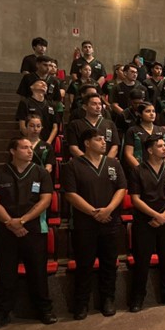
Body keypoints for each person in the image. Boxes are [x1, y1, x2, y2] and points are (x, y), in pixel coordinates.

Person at [0, 137, 56, 330]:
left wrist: (22, 221)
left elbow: (45, 201)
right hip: (5, 230)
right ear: (13, 151)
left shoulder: (41, 173)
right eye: (24, 148)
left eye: (30, 148)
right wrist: (10, 222)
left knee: (38, 273)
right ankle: (0, 314)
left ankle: (44, 310)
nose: (30, 151)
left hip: (34, 230)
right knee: (6, 275)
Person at [62, 128, 127, 319]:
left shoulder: (113, 163)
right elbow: (70, 194)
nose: (103, 142)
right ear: (87, 143)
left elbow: (122, 188)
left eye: (103, 139)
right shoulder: (73, 165)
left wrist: (108, 210)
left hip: (110, 221)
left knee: (109, 263)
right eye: (98, 140)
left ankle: (108, 299)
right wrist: (93, 212)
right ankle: (81, 303)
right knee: (84, 264)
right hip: (84, 224)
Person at [127, 136, 165, 312]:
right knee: (142, 261)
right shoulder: (138, 170)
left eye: (164, 146)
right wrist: (155, 215)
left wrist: (164, 215)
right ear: (150, 150)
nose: (164, 148)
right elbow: (135, 199)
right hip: (145, 222)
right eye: (159, 146)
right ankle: (138, 297)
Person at [66, 94, 120, 159]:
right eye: (94, 104)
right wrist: (89, 162)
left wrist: (105, 162)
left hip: (106, 163)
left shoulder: (110, 124)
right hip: (83, 163)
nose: (98, 107)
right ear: (85, 107)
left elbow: (115, 146)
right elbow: (73, 148)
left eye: (100, 104)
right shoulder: (75, 124)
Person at [123, 102, 165, 169]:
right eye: (148, 111)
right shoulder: (132, 131)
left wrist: (163, 169)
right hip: (140, 168)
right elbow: (128, 154)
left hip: (160, 168)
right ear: (139, 114)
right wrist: (140, 170)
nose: (152, 114)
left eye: (153, 111)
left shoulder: (162, 131)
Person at [16, 78, 58, 145]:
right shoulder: (25, 102)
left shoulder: (51, 105)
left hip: (48, 141)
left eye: (45, 85)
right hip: (30, 141)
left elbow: (55, 127)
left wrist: (48, 142)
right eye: (40, 83)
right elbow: (22, 126)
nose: (44, 85)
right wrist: (32, 140)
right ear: (31, 87)